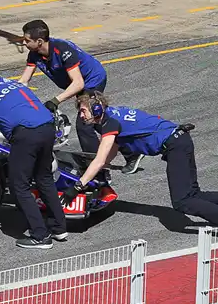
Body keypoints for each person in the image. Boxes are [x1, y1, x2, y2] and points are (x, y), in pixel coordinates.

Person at [65, 91, 218, 226]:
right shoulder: (112, 115)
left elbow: (99, 160)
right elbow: (110, 151)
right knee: (194, 195)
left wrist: (77, 186)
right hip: (180, 140)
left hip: (175, 146)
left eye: (83, 111)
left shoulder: (110, 123)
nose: (81, 115)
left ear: (96, 109)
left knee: (183, 201)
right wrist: (101, 167)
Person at [18, 19, 143, 174]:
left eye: (26, 40)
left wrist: (55, 101)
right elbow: (24, 81)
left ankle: (97, 168)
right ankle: (131, 150)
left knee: (85, 123)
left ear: (39, 41)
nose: (23, 43)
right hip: (77, 85)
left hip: (91, 81)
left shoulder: (62, 50)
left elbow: (78, 83)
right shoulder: (34, 54)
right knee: (99, 121)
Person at [0, 62, 67, 249]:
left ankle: (41, 236)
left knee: (19, 186)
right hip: (47, 127)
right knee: (44, 179)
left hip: (26, 133)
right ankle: (59, 228)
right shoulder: (14, 83)